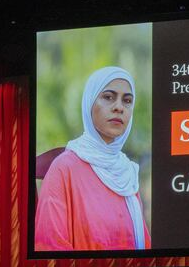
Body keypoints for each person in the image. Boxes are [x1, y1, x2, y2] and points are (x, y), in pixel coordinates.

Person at [35, 66, 151, 251]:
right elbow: (50, 245)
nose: (119, 107)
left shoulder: (127, 174)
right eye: (108, 97)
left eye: (127, 101)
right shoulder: (64, 168)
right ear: (89, 102)